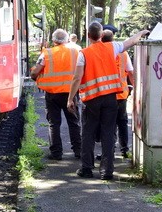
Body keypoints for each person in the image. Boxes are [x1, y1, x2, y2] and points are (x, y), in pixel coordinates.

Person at [68, 22, 149, 180]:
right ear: (101, 35)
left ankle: (87, 168)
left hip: (91, 100)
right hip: (111, 99)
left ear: (88, 35)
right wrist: (142, 32)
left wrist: (71, 98)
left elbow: (77, 77)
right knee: (108, 133)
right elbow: (131, 41)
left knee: (88, 132)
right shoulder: (112, 47)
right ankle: (107, 171)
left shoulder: (83, 54)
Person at [30, 28, 82, 160]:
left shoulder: (46, 54)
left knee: (54, 123)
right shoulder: (76, 51)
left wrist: (36, 77)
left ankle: (56, 153)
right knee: (74, 122)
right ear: (67, 39)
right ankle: (79, 151)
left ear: (53, 40)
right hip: (71, 93)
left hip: (52, 94)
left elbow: (35, 73)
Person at [102, 27, 134, 159]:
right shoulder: (124, 54)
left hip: (106, 93)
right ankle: (124, 149)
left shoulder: (100, 52)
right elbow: (130, 72)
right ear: (113, 39)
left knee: (108, 124)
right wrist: (136, 88)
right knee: (122, 122)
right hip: (121, 93)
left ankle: (109, 151)